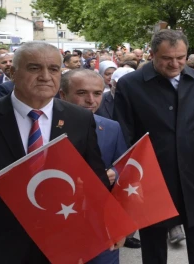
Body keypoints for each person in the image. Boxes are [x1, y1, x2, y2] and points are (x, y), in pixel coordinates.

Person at [0, 42, 116, 263]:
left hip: (60, 242)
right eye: (34, 68)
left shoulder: (80, 119)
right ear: (13, 73)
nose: (46, 76)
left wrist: (111, 222)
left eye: (53, 69)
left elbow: (95, 179)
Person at [113, 30, 194, 264]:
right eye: (167, 58)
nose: (175, 64)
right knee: (153, 248)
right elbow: (124, 133)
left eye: (181, 57)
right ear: (152, 54)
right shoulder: (130, 85)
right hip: (152, 181)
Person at [59, 69, 134, 260]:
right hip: (59, 220)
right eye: (82, 93)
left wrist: (114, 173)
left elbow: (124, 166)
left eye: (97, 93)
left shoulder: (111, 127)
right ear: (63, 95)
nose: (91, 100)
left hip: (101, 224)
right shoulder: (48, 128)